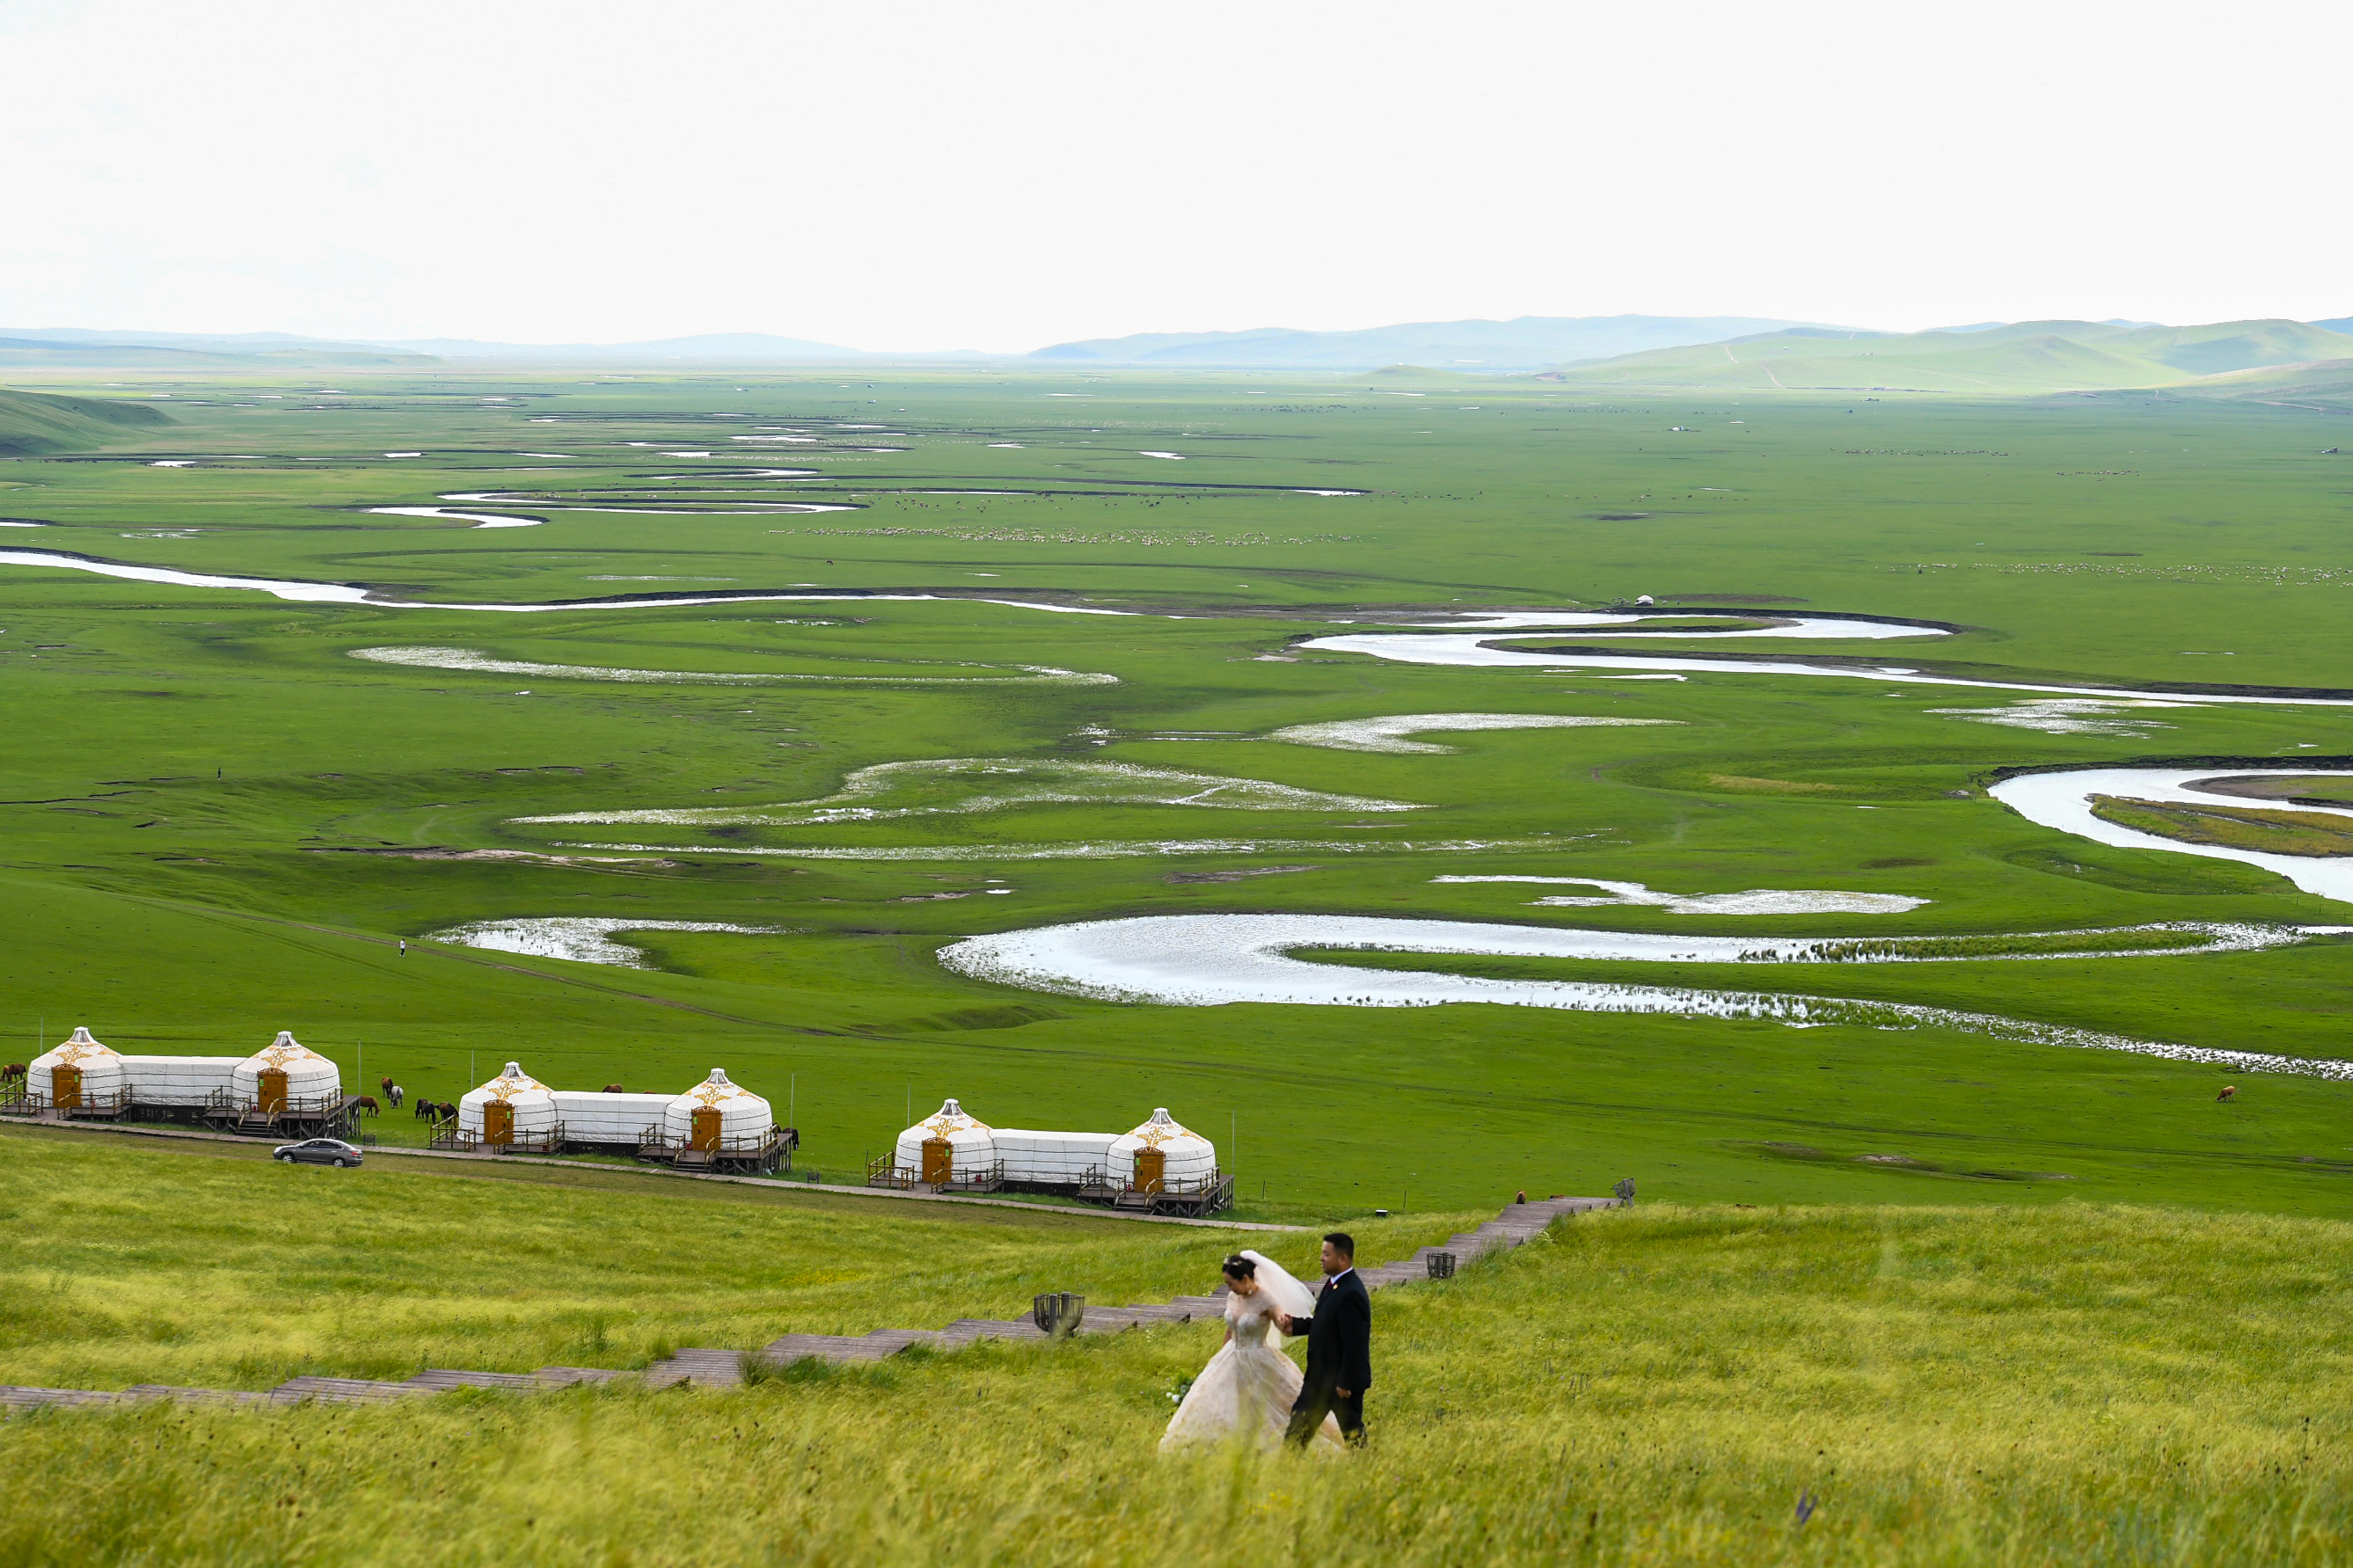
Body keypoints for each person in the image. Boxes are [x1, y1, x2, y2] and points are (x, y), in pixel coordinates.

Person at [1159, 1251, 1341, 1452]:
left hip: (1258, 1358)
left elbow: (1284, 1326)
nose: (1229, 1288)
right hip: (1230, 1356)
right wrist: (1220, 1359)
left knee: (1268, 1404)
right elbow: (1230, 1329)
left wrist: (1288, 1321)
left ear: (1245, 1279)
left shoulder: (1266, 1300)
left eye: (1231, 1283)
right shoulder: (1234, 1297)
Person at [1276, 1233, 1371, 1447]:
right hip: (1320, 1377)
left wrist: (1345, 1382)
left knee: (1353, 1433)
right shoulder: (1334, 1285)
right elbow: (1324, 1323)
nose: (1321, 1258)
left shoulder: (1351, 1293)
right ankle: (1287, 1471)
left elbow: (1354, 1342)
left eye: (1326, 1254)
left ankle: (1366, 1472)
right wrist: (1296, 1325)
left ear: (1343, 1258)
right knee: (1297, 1431)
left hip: (1340, 1383)